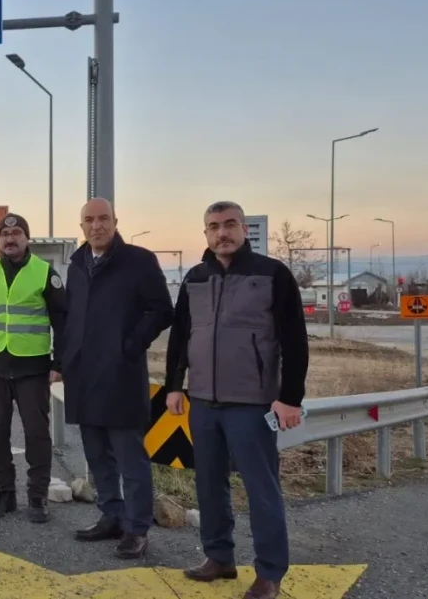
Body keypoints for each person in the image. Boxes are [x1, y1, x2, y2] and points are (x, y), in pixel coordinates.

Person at [164, 200, 308, 599]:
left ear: (244, 229)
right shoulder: (195, 277)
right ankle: (219, 557)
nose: (222, 233)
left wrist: (289, 398)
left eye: (230, 225)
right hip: (204, 403)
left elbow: (295, 340)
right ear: (206, 233)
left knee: (262, 489)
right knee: (208, 485)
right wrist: (175, 385)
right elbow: (180, 337)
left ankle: (270, 573)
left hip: (253, 404)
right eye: (214, 226)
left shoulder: (272, 274)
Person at [62, 198, 174, 558]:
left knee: (130, 458)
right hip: (83, 374)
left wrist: (130, 345)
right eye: (89, 220)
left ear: (115, 221)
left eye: (103, 219)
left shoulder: (138, 260)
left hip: (121, 374)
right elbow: (71, 316)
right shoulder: (77, 263)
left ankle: (137, 528)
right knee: (96, 455)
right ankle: (111, 515)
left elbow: (162, 310)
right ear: (81, 226)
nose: (96, 226)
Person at [0, 213, 67, 523]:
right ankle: (4, 493)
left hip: (32, 368)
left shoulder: (44, 273)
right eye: (5, 234)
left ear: (27, 239)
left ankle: (37, 498)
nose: (11, 239)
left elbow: (62, 320)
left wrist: (59, 362)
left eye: (17, 233)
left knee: (36, 434)